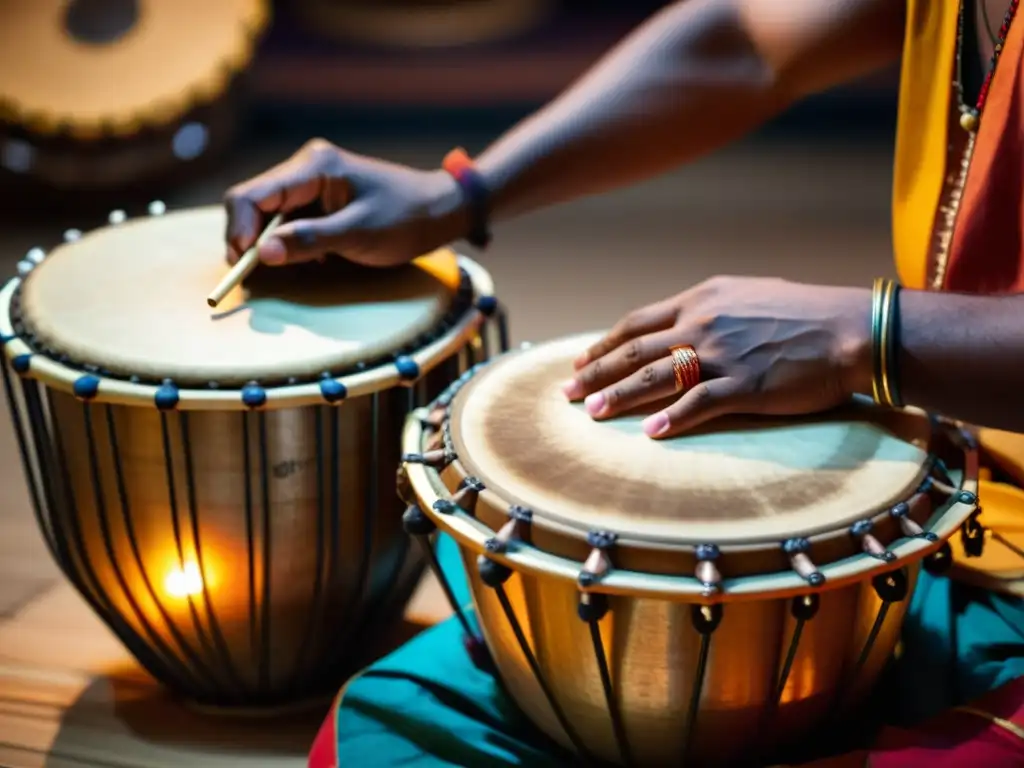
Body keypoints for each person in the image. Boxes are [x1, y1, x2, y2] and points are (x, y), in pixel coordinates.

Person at [225, 0, 1024, 764]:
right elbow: (747, 39)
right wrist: (458, 194)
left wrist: (864, 335)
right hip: (936, 542)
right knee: (383, 733)